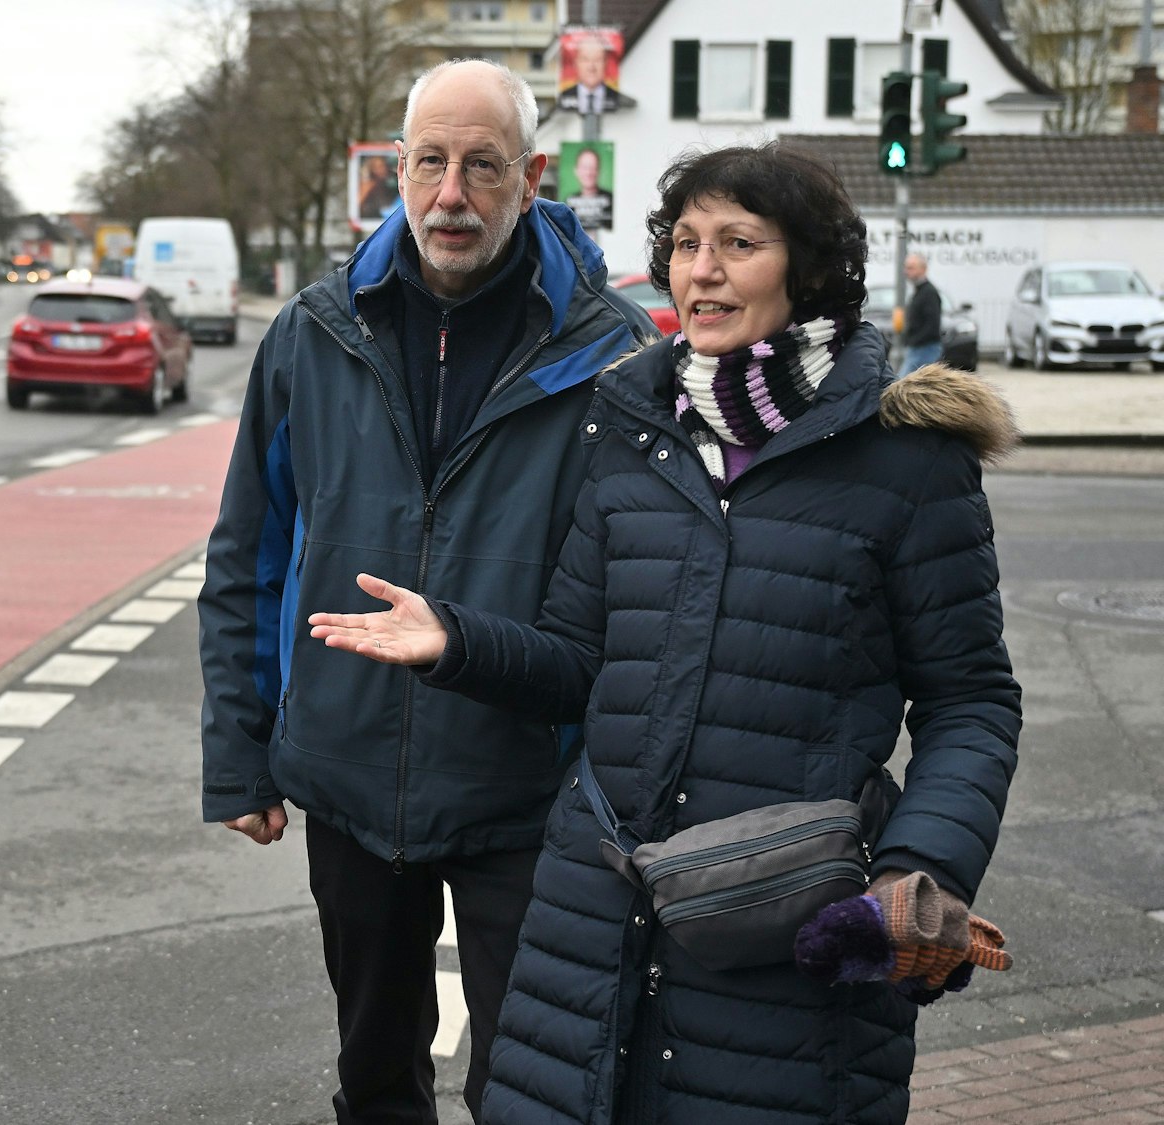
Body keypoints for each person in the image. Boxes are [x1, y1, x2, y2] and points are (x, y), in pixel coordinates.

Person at [307, 142, 1022, 1124]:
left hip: (785, 928)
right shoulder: (628, 431)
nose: (701, 268)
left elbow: (969, 699)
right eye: (684, 242)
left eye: (737, 242)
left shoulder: (906, 462)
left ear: (807, 268)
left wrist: (918, 868)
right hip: (588, 925)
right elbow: (579, 662)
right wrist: (458, 642)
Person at [198, 58, 655, 1125]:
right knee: (371, 1081)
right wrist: (238, 749)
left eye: (482, 167)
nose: (451, 195)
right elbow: (245, 552)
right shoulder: (313, 334)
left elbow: (643, 602)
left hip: (525, 796)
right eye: (430, 163)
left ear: (532, 176)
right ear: (393, 170)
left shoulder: (611, 357)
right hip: (350, 780)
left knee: (527, 1088)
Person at [901, 252, 943, 374]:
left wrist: (913, 340)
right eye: (906, 267)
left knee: (902, 385)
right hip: (918, 348)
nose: (906, 271)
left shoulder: (929, 293)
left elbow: (932, 325)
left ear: (923, 269)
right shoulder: (919, 292)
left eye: (911, 268)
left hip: (924, 349)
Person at [557, 35, 621, 115]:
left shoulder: (615, 96)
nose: (591, 67)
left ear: (606, 63)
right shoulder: (565, 96)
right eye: (585, 60)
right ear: (575, 63)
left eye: (598, 60)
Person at [562, 146, 613, 230]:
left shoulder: (611, 200)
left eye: (593, 168)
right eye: (585, 168)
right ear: (576, 170)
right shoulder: (568, 203)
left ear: (599, 170)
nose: (588, 173)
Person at [359, 154, 399, 219]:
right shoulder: (368, 185)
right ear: (372, 170)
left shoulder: (389, 185)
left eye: (384, 166)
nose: (383, 169)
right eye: (379, 167)